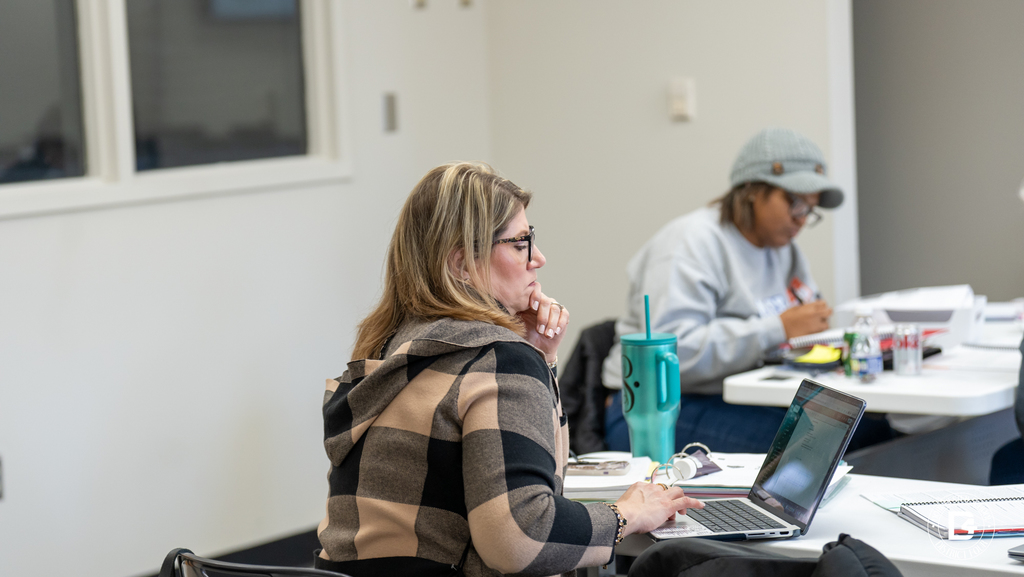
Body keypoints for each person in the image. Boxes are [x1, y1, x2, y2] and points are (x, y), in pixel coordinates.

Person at [315, 162, 703, 577]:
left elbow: (537, 484)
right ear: (462, 265)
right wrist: (625, 515)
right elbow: (523, 537)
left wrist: (540, 357)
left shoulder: (389, 348)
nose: (539, 258)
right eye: (520, 243)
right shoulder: (498, 360)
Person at [602, 127, 882, 455]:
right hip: (657, 410)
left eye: (810, 209)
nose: (801, 219)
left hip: (736, 397)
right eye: (795, 202)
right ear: (751, 190)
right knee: (834, 442)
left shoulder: (783, 249)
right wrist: (778, 328)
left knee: (869, 426)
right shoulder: (690, 244)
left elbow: (806, 323)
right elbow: (675, 355)